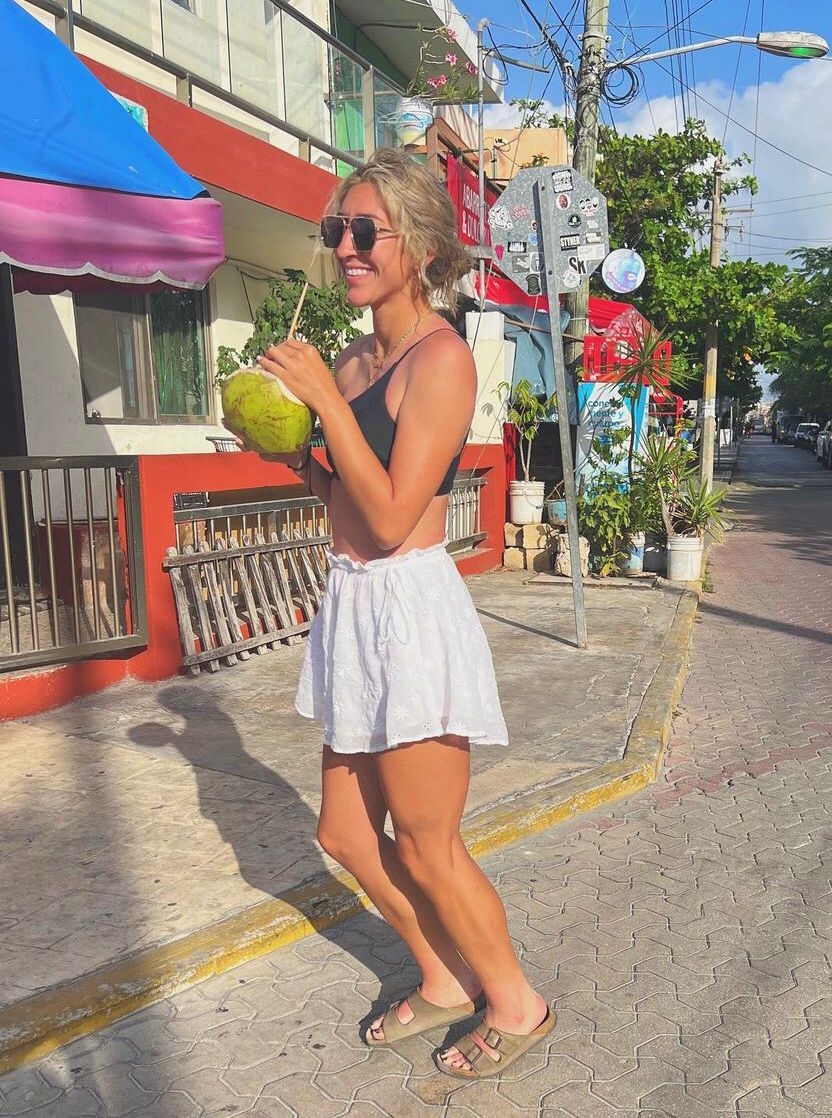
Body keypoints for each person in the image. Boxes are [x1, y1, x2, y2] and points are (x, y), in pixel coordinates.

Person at [227, 150, 553, 1079]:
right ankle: (443, 978)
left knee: (426, 840)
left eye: (364, 231)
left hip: (408, 609)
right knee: (341, 833)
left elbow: (395, 514)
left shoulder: (439, 361)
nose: (345, 248)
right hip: (352, 602)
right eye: (337, 231)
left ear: (418, 241)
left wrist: (326, 402)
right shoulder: (355, 355)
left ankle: (517, 1002)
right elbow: (341, 498)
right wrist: (288, 446)